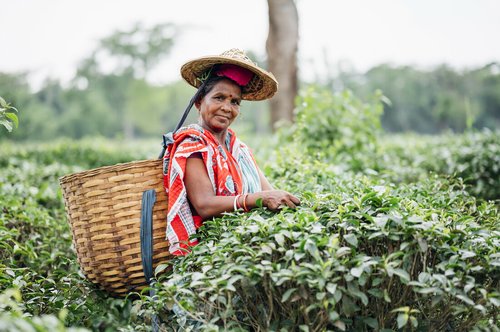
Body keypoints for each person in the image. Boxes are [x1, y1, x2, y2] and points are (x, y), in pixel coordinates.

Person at [162, 49, 300, 255]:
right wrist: (257, 199)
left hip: (245, 242)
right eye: (219, 98)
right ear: (199, 102)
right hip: (209, 251)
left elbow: (267, 191)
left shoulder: (239, 150)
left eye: (234, 101)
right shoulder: (192, 145)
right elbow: (204, 205)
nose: (227, 107)